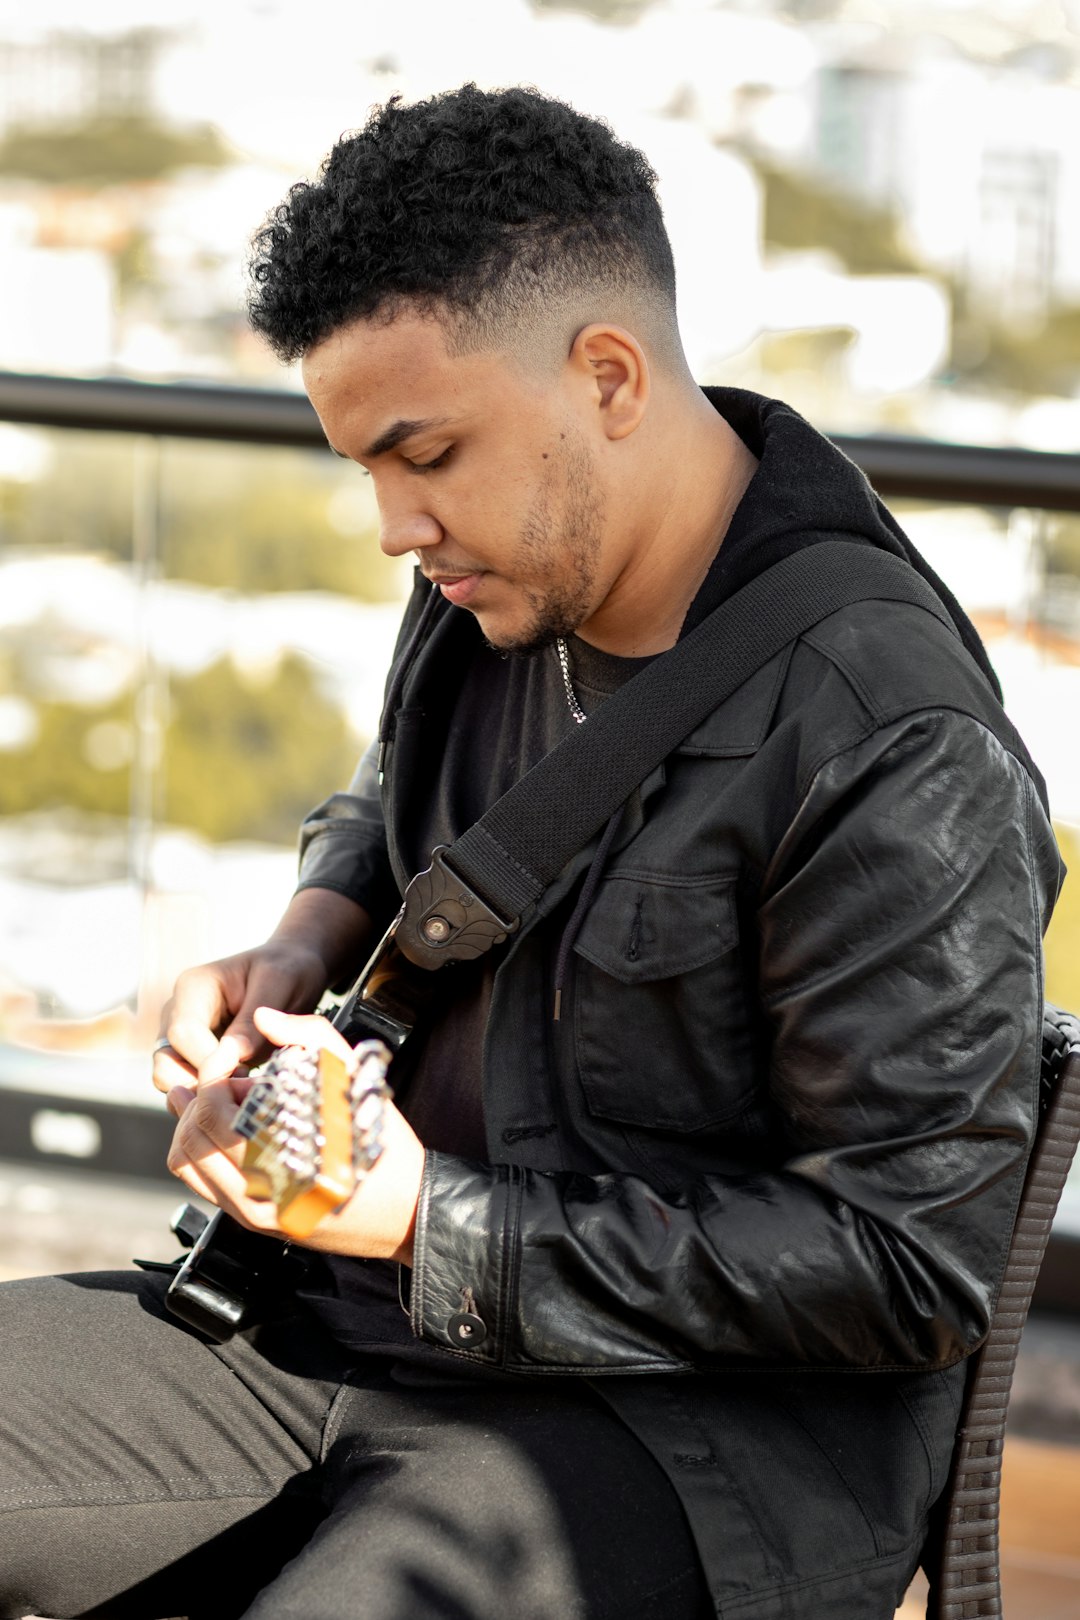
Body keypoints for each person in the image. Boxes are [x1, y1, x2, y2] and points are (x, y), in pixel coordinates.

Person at [0, 84, 1065, 1620]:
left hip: (684, 1444)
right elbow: (401, 797)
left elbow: (906, 1263)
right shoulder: (496, 573)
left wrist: (434, 1221)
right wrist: (302, 937)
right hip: (341, 1327)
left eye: (421, 452)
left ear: (611, 375)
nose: (390, 524)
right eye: (365, 465)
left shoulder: (886, 732)